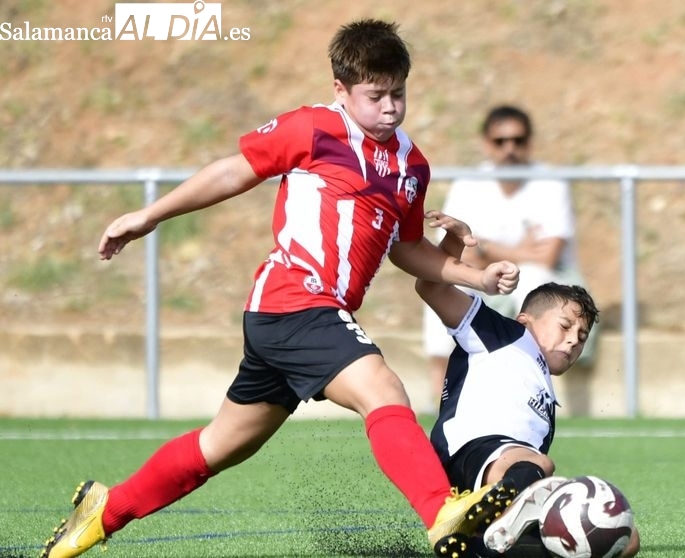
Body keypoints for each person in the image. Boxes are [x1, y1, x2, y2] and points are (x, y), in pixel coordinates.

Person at [39, 19, 523, 558]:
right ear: (340, 90)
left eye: (399, 94)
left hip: (300, 316)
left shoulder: (412, 164)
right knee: (382, 389)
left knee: (219, 446)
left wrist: (475, 275)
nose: (389, 107)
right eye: (375, 96)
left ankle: (104, 513)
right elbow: (233, 172)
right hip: (294, 298)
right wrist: (151, 214)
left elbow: (407, 249)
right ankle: (440, 511)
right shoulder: (313, 128)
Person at [416, 211, 639, 557]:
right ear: (525, 319)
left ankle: (485, 542)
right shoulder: (504, 334)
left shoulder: (543, 387)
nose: (572, 341)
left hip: (510, 470)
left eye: (581, 337)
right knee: (542, 465)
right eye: (564, 326)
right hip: (469, 452)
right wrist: (456, 242)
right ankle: (479, 522)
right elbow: (430, 286)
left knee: (623, 535)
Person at [422, 105, 596, 411]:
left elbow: (547, 256)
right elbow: (456, 251)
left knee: (536, 283)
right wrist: (515, 252)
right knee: (443, 287)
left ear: (529, 142)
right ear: (486, 143)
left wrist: (487, 248)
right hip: (482, 276)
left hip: (537, 278)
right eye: (500, 141)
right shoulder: (469, 184)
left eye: (518, 140)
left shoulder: (549, 182)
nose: (510, 149)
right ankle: (440, 398)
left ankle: (536, 395)